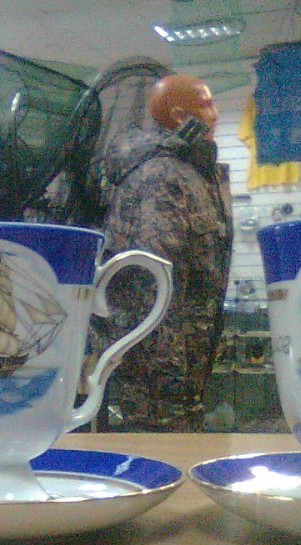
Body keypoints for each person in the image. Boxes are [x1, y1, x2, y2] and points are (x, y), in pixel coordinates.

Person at [97, 74, 232, 432]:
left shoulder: (195, 173)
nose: (216, 114)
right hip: (160, 387)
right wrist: (168, 390)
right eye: (206, 105)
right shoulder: (162, 177)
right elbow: (152, 290)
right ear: (178, 116)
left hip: (187, 377)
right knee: (160, 455)